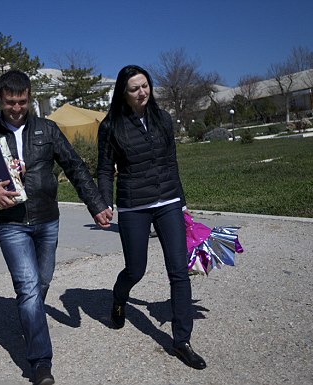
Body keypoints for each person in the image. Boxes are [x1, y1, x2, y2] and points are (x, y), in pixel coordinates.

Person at [0, 70, 112, 385]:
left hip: (47, 221)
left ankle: (30, 320)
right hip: (11, 224)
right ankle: (41, 363)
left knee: (40, 285)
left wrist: (96, 205)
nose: (17, 108)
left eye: (23, 101)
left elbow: (75, 167)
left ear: (30, 97)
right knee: (28, 289)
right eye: (10, 102)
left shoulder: (47, 130)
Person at [96, 65, 206, 370]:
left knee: (179, 271)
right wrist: (104, 202)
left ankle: (181, 340)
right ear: (123, 92)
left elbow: (171, 162)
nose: (142, 92)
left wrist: (182, 205)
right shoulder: (111, 126)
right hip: (134, 205)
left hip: (168, 201)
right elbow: (104, 169)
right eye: (134, 88)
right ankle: (119, 297)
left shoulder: (162, 118)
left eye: (145, 86)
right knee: (136, 269)